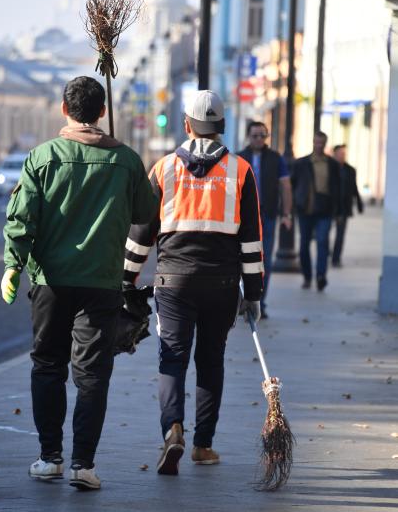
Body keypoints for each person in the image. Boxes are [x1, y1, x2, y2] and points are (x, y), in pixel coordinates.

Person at [1, 76, 157, 490]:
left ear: (64, 110)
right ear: (103, 112)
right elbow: (145, 213)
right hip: (102, 282)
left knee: (47, 365)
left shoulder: (42, 156)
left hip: (51, 282)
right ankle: (83, 465)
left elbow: (22, 218)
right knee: (92, 374)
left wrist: (12, 265)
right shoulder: (125, 159)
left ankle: (49, 457)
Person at [123, 90, 264, 476]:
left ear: (186, 124)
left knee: (172, 357)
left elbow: (142, 233)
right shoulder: (241, 172)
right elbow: (251, 240)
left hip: (173, 283)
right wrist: (253, 294)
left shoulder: (164, 169)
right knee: (210, 360)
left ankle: (173, 431)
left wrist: (126, 279)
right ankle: (203, 445)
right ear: (221, 127)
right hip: (221, 285)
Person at [238, 121, 292, 318]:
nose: (259, 139)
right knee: (239, 259)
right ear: (248, 137)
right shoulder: (239, 158)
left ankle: (259, 301)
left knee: (264, 260)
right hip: (241, 218)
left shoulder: (276, 158)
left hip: (267, 216)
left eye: (263, 135)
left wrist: (286, 214)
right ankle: (241, 299)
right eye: (255, 135)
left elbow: (286, 186)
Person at [292, 131, 341, 291]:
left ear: (325, 144)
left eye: (321, 143)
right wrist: (293, 205)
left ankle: (321, 276)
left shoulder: (332, 164)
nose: (318, 145)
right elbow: (293, 185)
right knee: (304, 245)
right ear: (313, 142)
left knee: (322, 243)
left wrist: (338, 210)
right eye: (316, 142)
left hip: (325, 211)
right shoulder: (302, 163)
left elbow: (338, 188)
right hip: (305, 210)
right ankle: (307, 276)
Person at [331, 144, 364, 267]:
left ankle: (336, 258)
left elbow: (354, 187)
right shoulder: (329, 168)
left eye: (344, 154)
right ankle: (326, 253)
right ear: (334, 155)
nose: (342, 156)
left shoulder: (350, 170)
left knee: (340, 235)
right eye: (340, 154)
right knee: (323, 234)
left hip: (344, 207)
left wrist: (359, 202)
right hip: (329, 207)